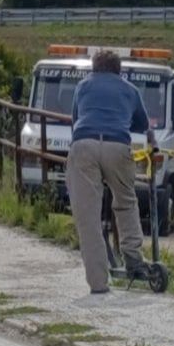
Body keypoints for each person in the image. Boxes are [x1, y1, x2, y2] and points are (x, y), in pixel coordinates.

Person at [66, 50, 158, 293]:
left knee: (88, 216)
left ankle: (98, 282)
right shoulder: (129, 90)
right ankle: (134, 259)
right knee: (126, 202)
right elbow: (141, 124)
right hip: (118, 145)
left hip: (84, 144)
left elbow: (75, 118)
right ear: (119, 70)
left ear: (94, 68)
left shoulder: (83, 86)